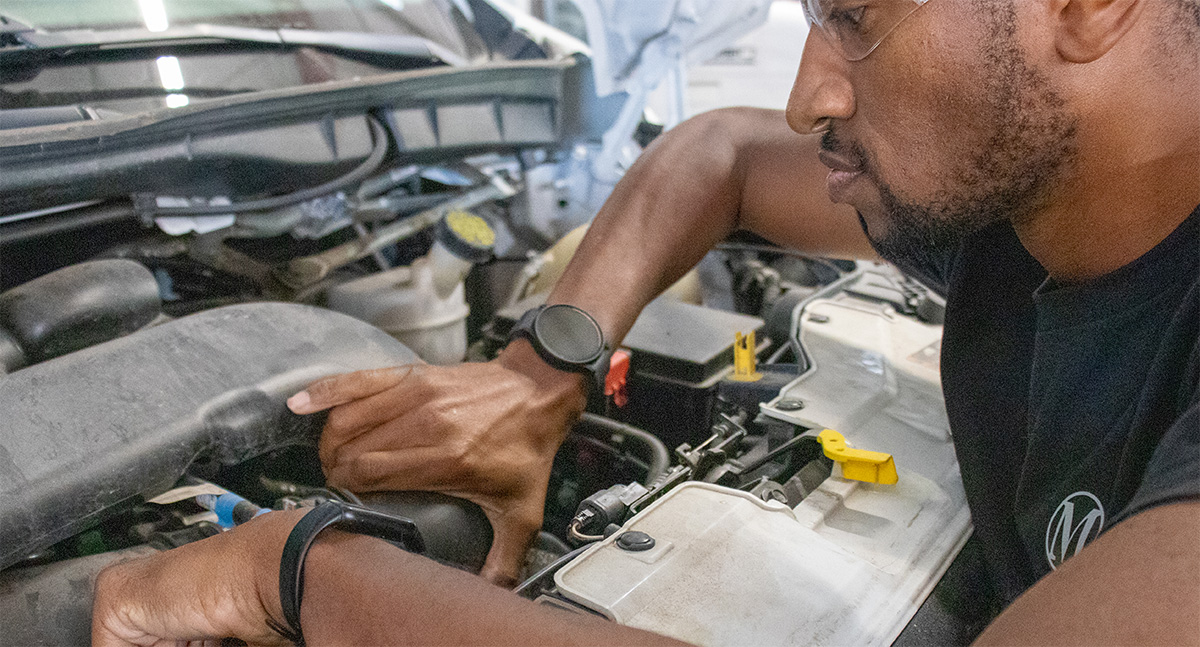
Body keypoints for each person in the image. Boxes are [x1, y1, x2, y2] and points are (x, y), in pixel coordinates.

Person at [92, 0, 1199, 644]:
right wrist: (543, 369)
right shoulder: (1021, 207)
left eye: (856, 18)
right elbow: (719, 150)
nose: (812, 92)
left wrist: (293, 572)